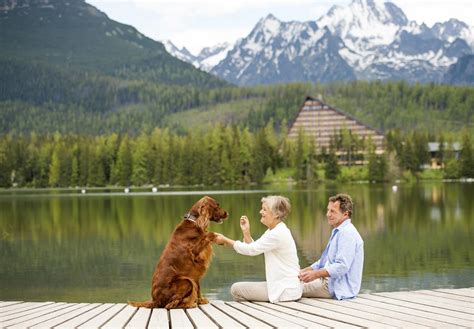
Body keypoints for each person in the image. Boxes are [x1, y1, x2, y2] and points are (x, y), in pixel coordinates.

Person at [214, 195, 302, 303]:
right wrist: (246, 233)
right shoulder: (274, 230)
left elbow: (251, 250)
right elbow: (254, 248)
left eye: (264, 209)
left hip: (284, 290)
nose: (261, 212)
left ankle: (255, 315)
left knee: (236, 289)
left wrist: (225, 240)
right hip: (284, 286)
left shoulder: (276, 234)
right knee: (240, 289)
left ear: (276, 214)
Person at [299, 193, 364, 300]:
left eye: (332, 211)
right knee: (293, 280)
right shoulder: (339, 231)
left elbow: (341, 266)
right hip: (327, 281)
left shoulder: (347, 233)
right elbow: (322, 263)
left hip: (337, 287)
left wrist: (315, 275)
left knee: (291, 288)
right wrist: (303, 271)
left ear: (345, 214)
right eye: (328, 210)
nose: (328, 214)